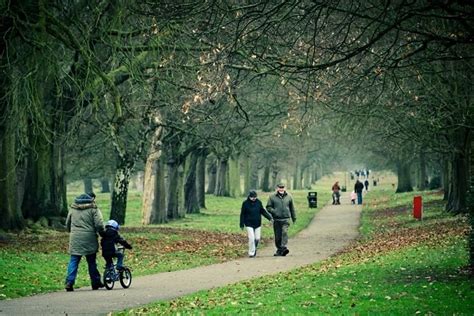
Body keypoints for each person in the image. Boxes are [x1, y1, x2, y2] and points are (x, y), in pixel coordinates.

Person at [64, 192, 105, 292]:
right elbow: (99, 224)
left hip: (75, 238)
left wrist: (72, 232)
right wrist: (102, 233)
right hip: (89, 237)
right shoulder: (93, 209)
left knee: (74, 260)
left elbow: (67, 223)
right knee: (91, 261)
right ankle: (95, 282)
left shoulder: (73, 208)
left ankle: (69, 282)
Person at [239, 190, 273, 258]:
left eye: (255, 197)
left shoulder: (258, 202)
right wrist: (241, 223)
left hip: (257, 223)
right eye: (252, 197)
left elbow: (263, 211)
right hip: (248, 223)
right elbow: (242, 214)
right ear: (249, 197)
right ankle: (251, 253)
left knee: (257, 238)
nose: (254, 198)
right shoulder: (245, 203)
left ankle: (254, 248)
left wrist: (270, 218)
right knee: (251, 238)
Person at [266, 184, 296, 257]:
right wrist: (274, 211)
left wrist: (293, 217)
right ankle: (280, 250)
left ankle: (283, 247)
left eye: (283, 188)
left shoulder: (289, 197)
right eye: (280, 188)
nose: (281, 189)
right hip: (277, 219)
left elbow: (292, 208)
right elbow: (268, 207)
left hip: (286, 219)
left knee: (284, 232)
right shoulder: (272, 197)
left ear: (285, 188)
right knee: (278, 236)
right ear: (277, 188)